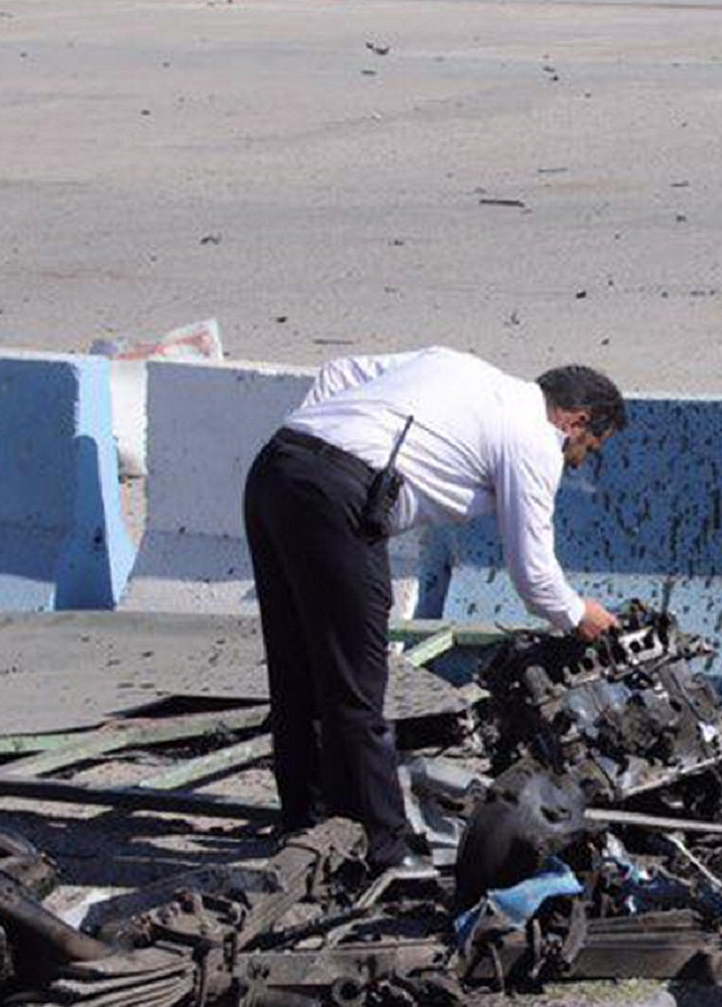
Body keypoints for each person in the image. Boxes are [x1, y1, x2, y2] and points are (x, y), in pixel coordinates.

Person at [243, 348, 625, 872]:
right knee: (357, 690)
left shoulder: (460, 365)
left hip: (277, 466)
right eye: (588, 445)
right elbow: (533, 574)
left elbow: (338, 372)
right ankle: (384, 850)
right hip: (339, 500)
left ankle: (305, 826)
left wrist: (324, 441)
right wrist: (579, 615)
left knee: (296, 668)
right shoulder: (535, 438)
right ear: (575, 419)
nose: (577, 459)